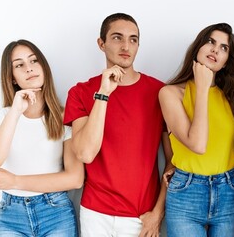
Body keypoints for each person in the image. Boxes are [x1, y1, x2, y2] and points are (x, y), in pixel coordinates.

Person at [63, 13, 170, 236]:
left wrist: (157, 213)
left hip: (141, 216)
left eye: (133, 39)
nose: (126, 46)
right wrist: (103, 94)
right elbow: (85, 153)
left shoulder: (159, 93)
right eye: (117, 38)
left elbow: (173, 161)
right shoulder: (81, 92)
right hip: (95, 213)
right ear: (101, 44)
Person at [0, 39, 84, 236]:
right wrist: (16, 111)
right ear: (12, 78)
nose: (29, 69)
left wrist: (15, 181)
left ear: (43, 67)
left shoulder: (64, 118)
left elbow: (75, 178)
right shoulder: (2, 117)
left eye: (34, 61)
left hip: (56, 212)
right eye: (19, 65)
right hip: (12, 215)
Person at [158, 23, 234, 236]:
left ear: (226, 62)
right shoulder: (170, 93)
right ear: (198, 47)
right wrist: (203, 87)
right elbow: (197, 144)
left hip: (230, 189)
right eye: (210, 42)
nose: (216, 50)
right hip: (187, 191)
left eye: (224, 48)